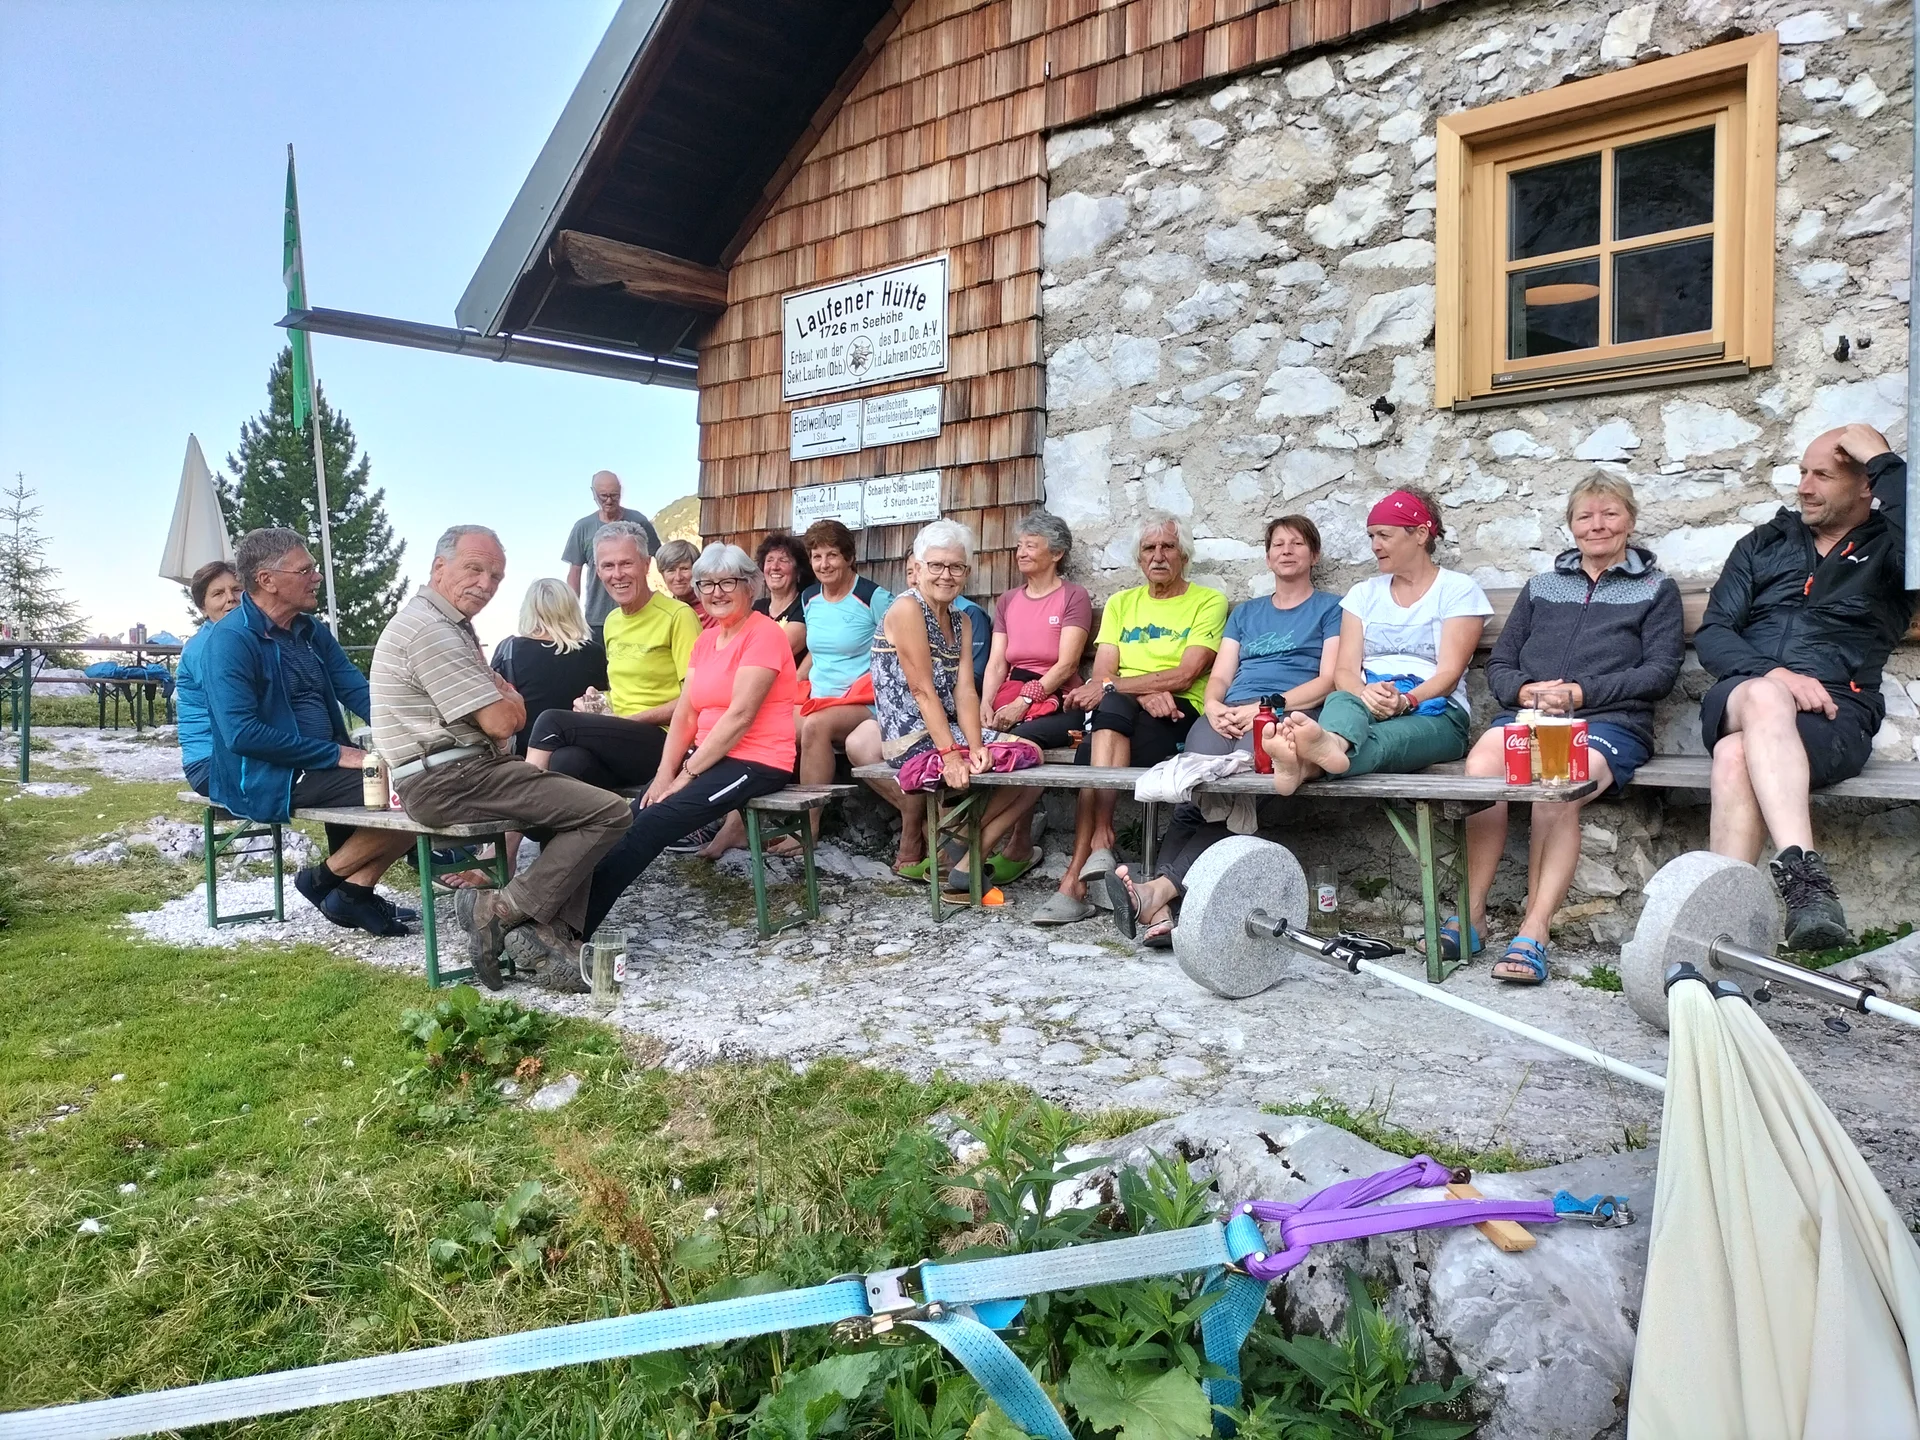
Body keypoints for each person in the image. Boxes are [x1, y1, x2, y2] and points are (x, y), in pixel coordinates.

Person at [372, 527, 633, 991]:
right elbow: (501, 722)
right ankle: (502, 912)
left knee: (575, 814)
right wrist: (509, 701)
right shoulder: (432, 630)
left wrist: (507, 702)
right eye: (474, 569)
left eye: (496, 576)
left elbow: (507, 713)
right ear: (438, 567)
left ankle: (545, 935)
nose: (486, 584)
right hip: (453, 776)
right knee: (609, 812)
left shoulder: (449, 625)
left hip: (457, 772)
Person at [1456, 476, 1684, 982]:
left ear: (1630, 520)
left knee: (1554, 787)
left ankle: (1534, 931)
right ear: (1571, 525)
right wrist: (1525, 692)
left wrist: (1581, 694)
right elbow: (1502, 664)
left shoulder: (1656, 589)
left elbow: (1659, 673)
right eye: (1585, 516)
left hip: (1611, 722)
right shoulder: (1541, 587)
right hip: (1533, 716)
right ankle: (1471, 916)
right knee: (1481, 769)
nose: (1597, 525)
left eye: (1610, 514)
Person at [1696, 423, 1910, 949]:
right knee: (1764, 696)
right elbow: (1715, 633)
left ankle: (1721, 937)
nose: (1805, 488)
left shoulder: (1893, 548)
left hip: (1837, 714)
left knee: (1733, 756)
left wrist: (1885, 461)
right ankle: (1806, 882)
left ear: (1866, 485)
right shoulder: (1764, 543)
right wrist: (1778, 674)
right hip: (1745, 692)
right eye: (1802, 473)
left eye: (1823, 476)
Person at [202, 527, 416, 936]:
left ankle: (348, 889)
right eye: (305, 570)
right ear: (267, 580)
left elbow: (357, 691)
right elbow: (241, 734)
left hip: (322, 764)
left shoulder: (310, 630)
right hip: (270, 775)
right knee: (414, 790)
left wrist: (415, 732)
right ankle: (332, 885)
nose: (316, 577)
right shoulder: (230, 641)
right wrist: (339, 754)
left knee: (426, 774)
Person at [581, 544, 801, 936]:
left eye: (727, 582)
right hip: (708, 757)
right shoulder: (706, 640)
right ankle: (557, 908)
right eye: (706, 584)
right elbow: (685, 714)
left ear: (749, 586)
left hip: (757, 761)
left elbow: (740, 716)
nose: (716, 592)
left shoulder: (764, 633)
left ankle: (572, 927)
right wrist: (664, 775)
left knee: (655, 823)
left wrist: (686, 774)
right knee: (633, 815)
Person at [1033, 514, 1226, 926]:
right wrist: (1139, 691)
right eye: (1148, 549)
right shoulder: (1122, 603)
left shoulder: (1208, 602)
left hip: (1176, 712)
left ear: (1184, 555)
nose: (1158, 556)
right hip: (1123, 709)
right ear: (1139, 558)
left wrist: (1127, 688)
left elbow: (1186, 674)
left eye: (1168, 547)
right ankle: (1099, 844)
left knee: (1093, 745)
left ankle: (1076, 875)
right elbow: (1103, 673)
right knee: (1110, 714)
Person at [855, 521, 1041, 891]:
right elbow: (922, 690)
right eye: (936, 565)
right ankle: (966, 849)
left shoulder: (961, 619)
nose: (946, 575)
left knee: (1031, 759)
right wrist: (952, 756)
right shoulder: (907, 609)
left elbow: (965, 692)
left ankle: (969, 849)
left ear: (967, 573)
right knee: (1022, 763)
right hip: (911, 738)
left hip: (947, 732)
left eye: (956, 567)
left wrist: (975, 745)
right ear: (918, 567)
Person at [526, 521, 698, 793]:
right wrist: (599, 701)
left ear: (646, 564)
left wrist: (628, 721)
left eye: (626, 563)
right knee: (567, 761)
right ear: (598, 572)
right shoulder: (612, 621)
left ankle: (522, 808)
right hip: (620, 739)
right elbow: (628, 690)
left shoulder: (678, 616)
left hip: (666, 742)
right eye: (608, 566)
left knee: (551, 722)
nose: (617, 574)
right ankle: (586, 820)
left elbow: (695, 700)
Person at [973, 510, 1092, 879]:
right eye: (1019, 545)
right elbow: (997, 662)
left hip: (1059, 700)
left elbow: (1066, 664)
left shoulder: (1073, 596)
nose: (1021, 552)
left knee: (1018, 741)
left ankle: (988, 843)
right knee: (975, 737)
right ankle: (998, 841)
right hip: (1010, 694)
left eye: (1030, 545)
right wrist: (985, 704)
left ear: (1056, 553)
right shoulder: (1008, 600)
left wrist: (1023, 702)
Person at [1188, 515, 1342, 755]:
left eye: (1297, 543)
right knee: (1196, 764)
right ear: (1268, 559)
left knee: (1252, 764)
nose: (1287, 550)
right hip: (1232, 709)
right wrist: (1212, 706)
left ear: (1314, 556)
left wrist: (1267, 707)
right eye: (1278, 545)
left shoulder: (1332, 609)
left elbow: (1329, 680)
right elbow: (1220, 677)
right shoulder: (1244, 613)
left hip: (1290, 709)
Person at [793, 520, 892, 831]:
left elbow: (900, 647)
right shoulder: (809, 597)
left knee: (815, 726)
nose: (824, 564)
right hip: (818, 697)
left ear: (849, 557)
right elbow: (819, 650)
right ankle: (746, 822)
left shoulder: (873, 597)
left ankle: (808, 826)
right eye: (817, 556)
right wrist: (795, 682)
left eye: (832, 555)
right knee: (765, 724)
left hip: (862, 701)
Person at [489, 579, 607, 757]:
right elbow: (600, 709)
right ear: (572, 609)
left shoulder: (511, 649)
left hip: (525, 755)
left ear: (528, 610)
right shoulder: (594, 652)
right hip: (582, 754)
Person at [562, 471, 663, 642]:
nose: (609, 501)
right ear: (593, 493)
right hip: (598, 619)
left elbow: (661, 560)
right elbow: (574, 573)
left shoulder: (639, 521)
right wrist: (569, 615)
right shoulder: (582, 528)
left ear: (620, 492)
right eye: (603, 496)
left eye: (614, 495)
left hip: (639, 614)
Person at [176, 560, 243, 797]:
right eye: (218, 594)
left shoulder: (241, 638)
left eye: (237, 589)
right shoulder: (204, 647)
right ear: (203, 608)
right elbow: (238, 708)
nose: (231, 598)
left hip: (241, 756)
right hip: (209, 764)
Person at [753, 531, 813, 657]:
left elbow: (775, 651)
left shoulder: (804, 607)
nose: (774, 567)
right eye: (769, 560)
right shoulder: (756, 608)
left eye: (783, 560)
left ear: (798, 571)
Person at [655, 539, 710, 626]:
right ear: (662, 575)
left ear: (697, 571)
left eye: (684, 569)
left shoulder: (713, 610)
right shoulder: (662, 613)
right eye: (671, 570)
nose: (678, 577)